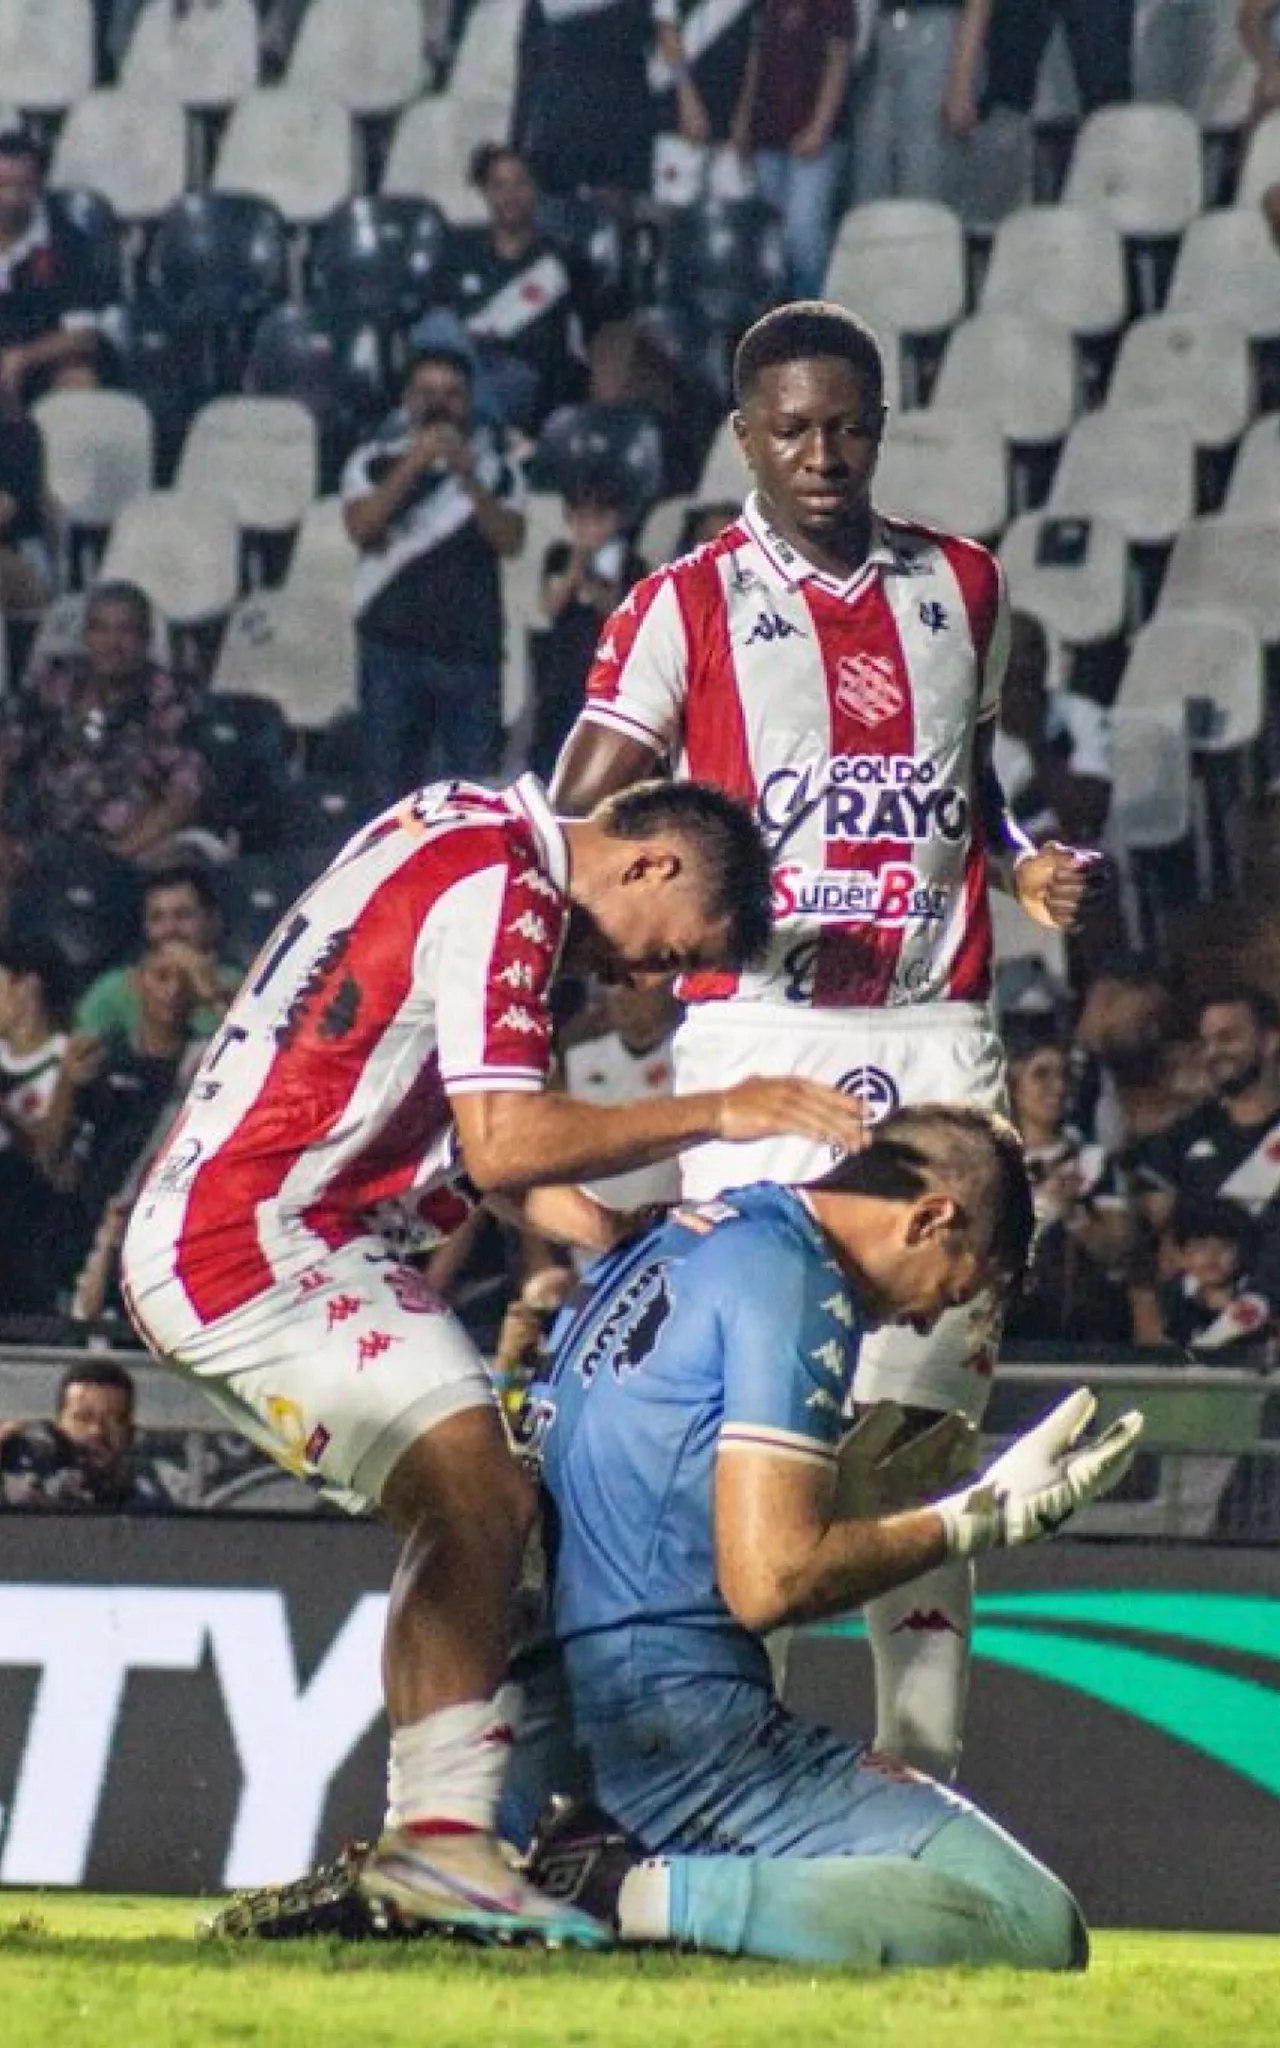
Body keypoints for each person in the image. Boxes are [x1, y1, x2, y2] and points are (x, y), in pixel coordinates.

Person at [120, 771, 867, 1945]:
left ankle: (437, 1848)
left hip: (262, 1223)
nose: (648, 980)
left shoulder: (459, 820)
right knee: (477, 1487)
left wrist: (614, 1235)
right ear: (652, 864)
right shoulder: (504, 882)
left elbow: (494, 1162)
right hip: (254, 1235)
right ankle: (440, 1849)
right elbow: (504, 1133)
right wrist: (721, 1110)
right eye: (674, 952)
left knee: (474, 1513)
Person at [552, 299, 1106, 1780]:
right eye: (790, 430)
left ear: (880, 423)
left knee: (918, 1434)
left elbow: (958, 779)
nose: (821, 456)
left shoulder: (966, 584)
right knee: (772, 1434)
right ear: (744, 435)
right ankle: (731, 1763)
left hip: (938, 1033)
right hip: (762, 1042)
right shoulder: (683, 603)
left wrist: (1015, 861)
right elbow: (580, 809)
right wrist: (607, 937)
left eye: (847, 426)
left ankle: (915, 1771)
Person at [496, 1104, 1142, 1969]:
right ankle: (612, 1890)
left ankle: (588, 1875)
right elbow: (771, 1580)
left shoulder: (681, 1242)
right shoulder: (801, 1279)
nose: (916, 1325)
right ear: (930, 1217)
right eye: (950, 1291)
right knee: (1027, 1916)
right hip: (679, 1741)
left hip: (543, 1730)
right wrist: (978, 1518)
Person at [342, 349, 525, 814]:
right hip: (392, 651)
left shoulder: (498, 466)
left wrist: (469, 478)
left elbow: (510, 539)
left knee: (472, 799)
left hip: (471, 656)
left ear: (469, 400)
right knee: (387, 800)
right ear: (407, 399)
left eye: (452, 394)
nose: (439, 404)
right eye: (426, 393)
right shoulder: (372, 459)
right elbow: (361, 528)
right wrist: (414, 463)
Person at [0, 580, 210, 879]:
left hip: (130, 848)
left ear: (146, 639)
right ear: (86, 636)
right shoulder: (54, 683)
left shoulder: (170, 699)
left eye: (126, 631)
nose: (113, 643)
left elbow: (185, 796)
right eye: (100, 629)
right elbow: (5, 751)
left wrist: (119, 854)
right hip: (41, 838)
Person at [429, 144, 591, 436]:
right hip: (459, 375)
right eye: (499, 185)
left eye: (520, 183)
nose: (510, 196)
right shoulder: (459, 251)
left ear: (535, 188)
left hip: (524, 380)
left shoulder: (560, 260)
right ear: (484, 192)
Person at [1132, 986, 1280, 1270]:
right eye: (1206, 1042)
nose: (1212, 1053)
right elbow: (1158, 1250)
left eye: (1227, 1038)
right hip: (1211, 1312)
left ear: (1270, 1041)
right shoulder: (1181, 1137)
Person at [1004, 1033, 1135, 1346]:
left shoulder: (1093, 1162)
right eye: (1041, 1074)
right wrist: (1044, 1207)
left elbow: (1118, 1250)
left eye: (1065, 1075)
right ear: (1013, 1083)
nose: (1059, 1087)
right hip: (1008, 1331)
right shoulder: (994, 1164)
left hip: (1083, 1333)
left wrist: (1076, 1216)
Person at [729, 0, 855, 299]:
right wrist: (744, 117)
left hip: (816, 139)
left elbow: (839, 60)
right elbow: (755, 57)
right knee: (772, 242)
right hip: (768, 135)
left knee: (804, 234)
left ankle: (814, 320)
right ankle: (779, 322)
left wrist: (819, 128)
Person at [530, 486, 643, 779]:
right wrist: (577, 562)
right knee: (550, 762)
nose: (589, 528)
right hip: (561, 678)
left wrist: (593, 588)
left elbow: (623, 611)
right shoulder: (559, 555)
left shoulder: (632, 563)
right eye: (581, 519)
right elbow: (551, 604)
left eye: (597, 519)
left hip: (608, 685)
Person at [849, 0, 996, 209]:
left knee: (923, 167)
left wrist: (962, 82)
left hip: (938, 27)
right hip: (880, 30)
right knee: (871, 169)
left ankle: (924, 236)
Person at [75, 862, 237, 1051]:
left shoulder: (239, 985)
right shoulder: (113, 990)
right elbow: (79, 1060)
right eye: (157, 918)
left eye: (183, 915)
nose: (169, 929)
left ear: (211, 920)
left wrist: (212, 993)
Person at [0, 130, 109, 407]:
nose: (11, 199)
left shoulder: (69, 242)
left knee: (79, 378)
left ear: (38, 185)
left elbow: (84, 336)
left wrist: (22, 358)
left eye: (22, 186)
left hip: (42, 363)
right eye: (2, 185)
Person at [0, 1359, 172, 1510]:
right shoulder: (26, 1481)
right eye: (83, 1418)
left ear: (130, 1431)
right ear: (58, 1425)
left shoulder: (151, 1489)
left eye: (113, 1420)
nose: (96, 1431)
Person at [1156, 1197, 1277, 1368]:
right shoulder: (1171, 1308)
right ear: (1182, 1255)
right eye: (1200, 1246)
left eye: (1225, 1246)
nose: (1212, 1256)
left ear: (1243, 1252)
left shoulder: (1262, 1313)